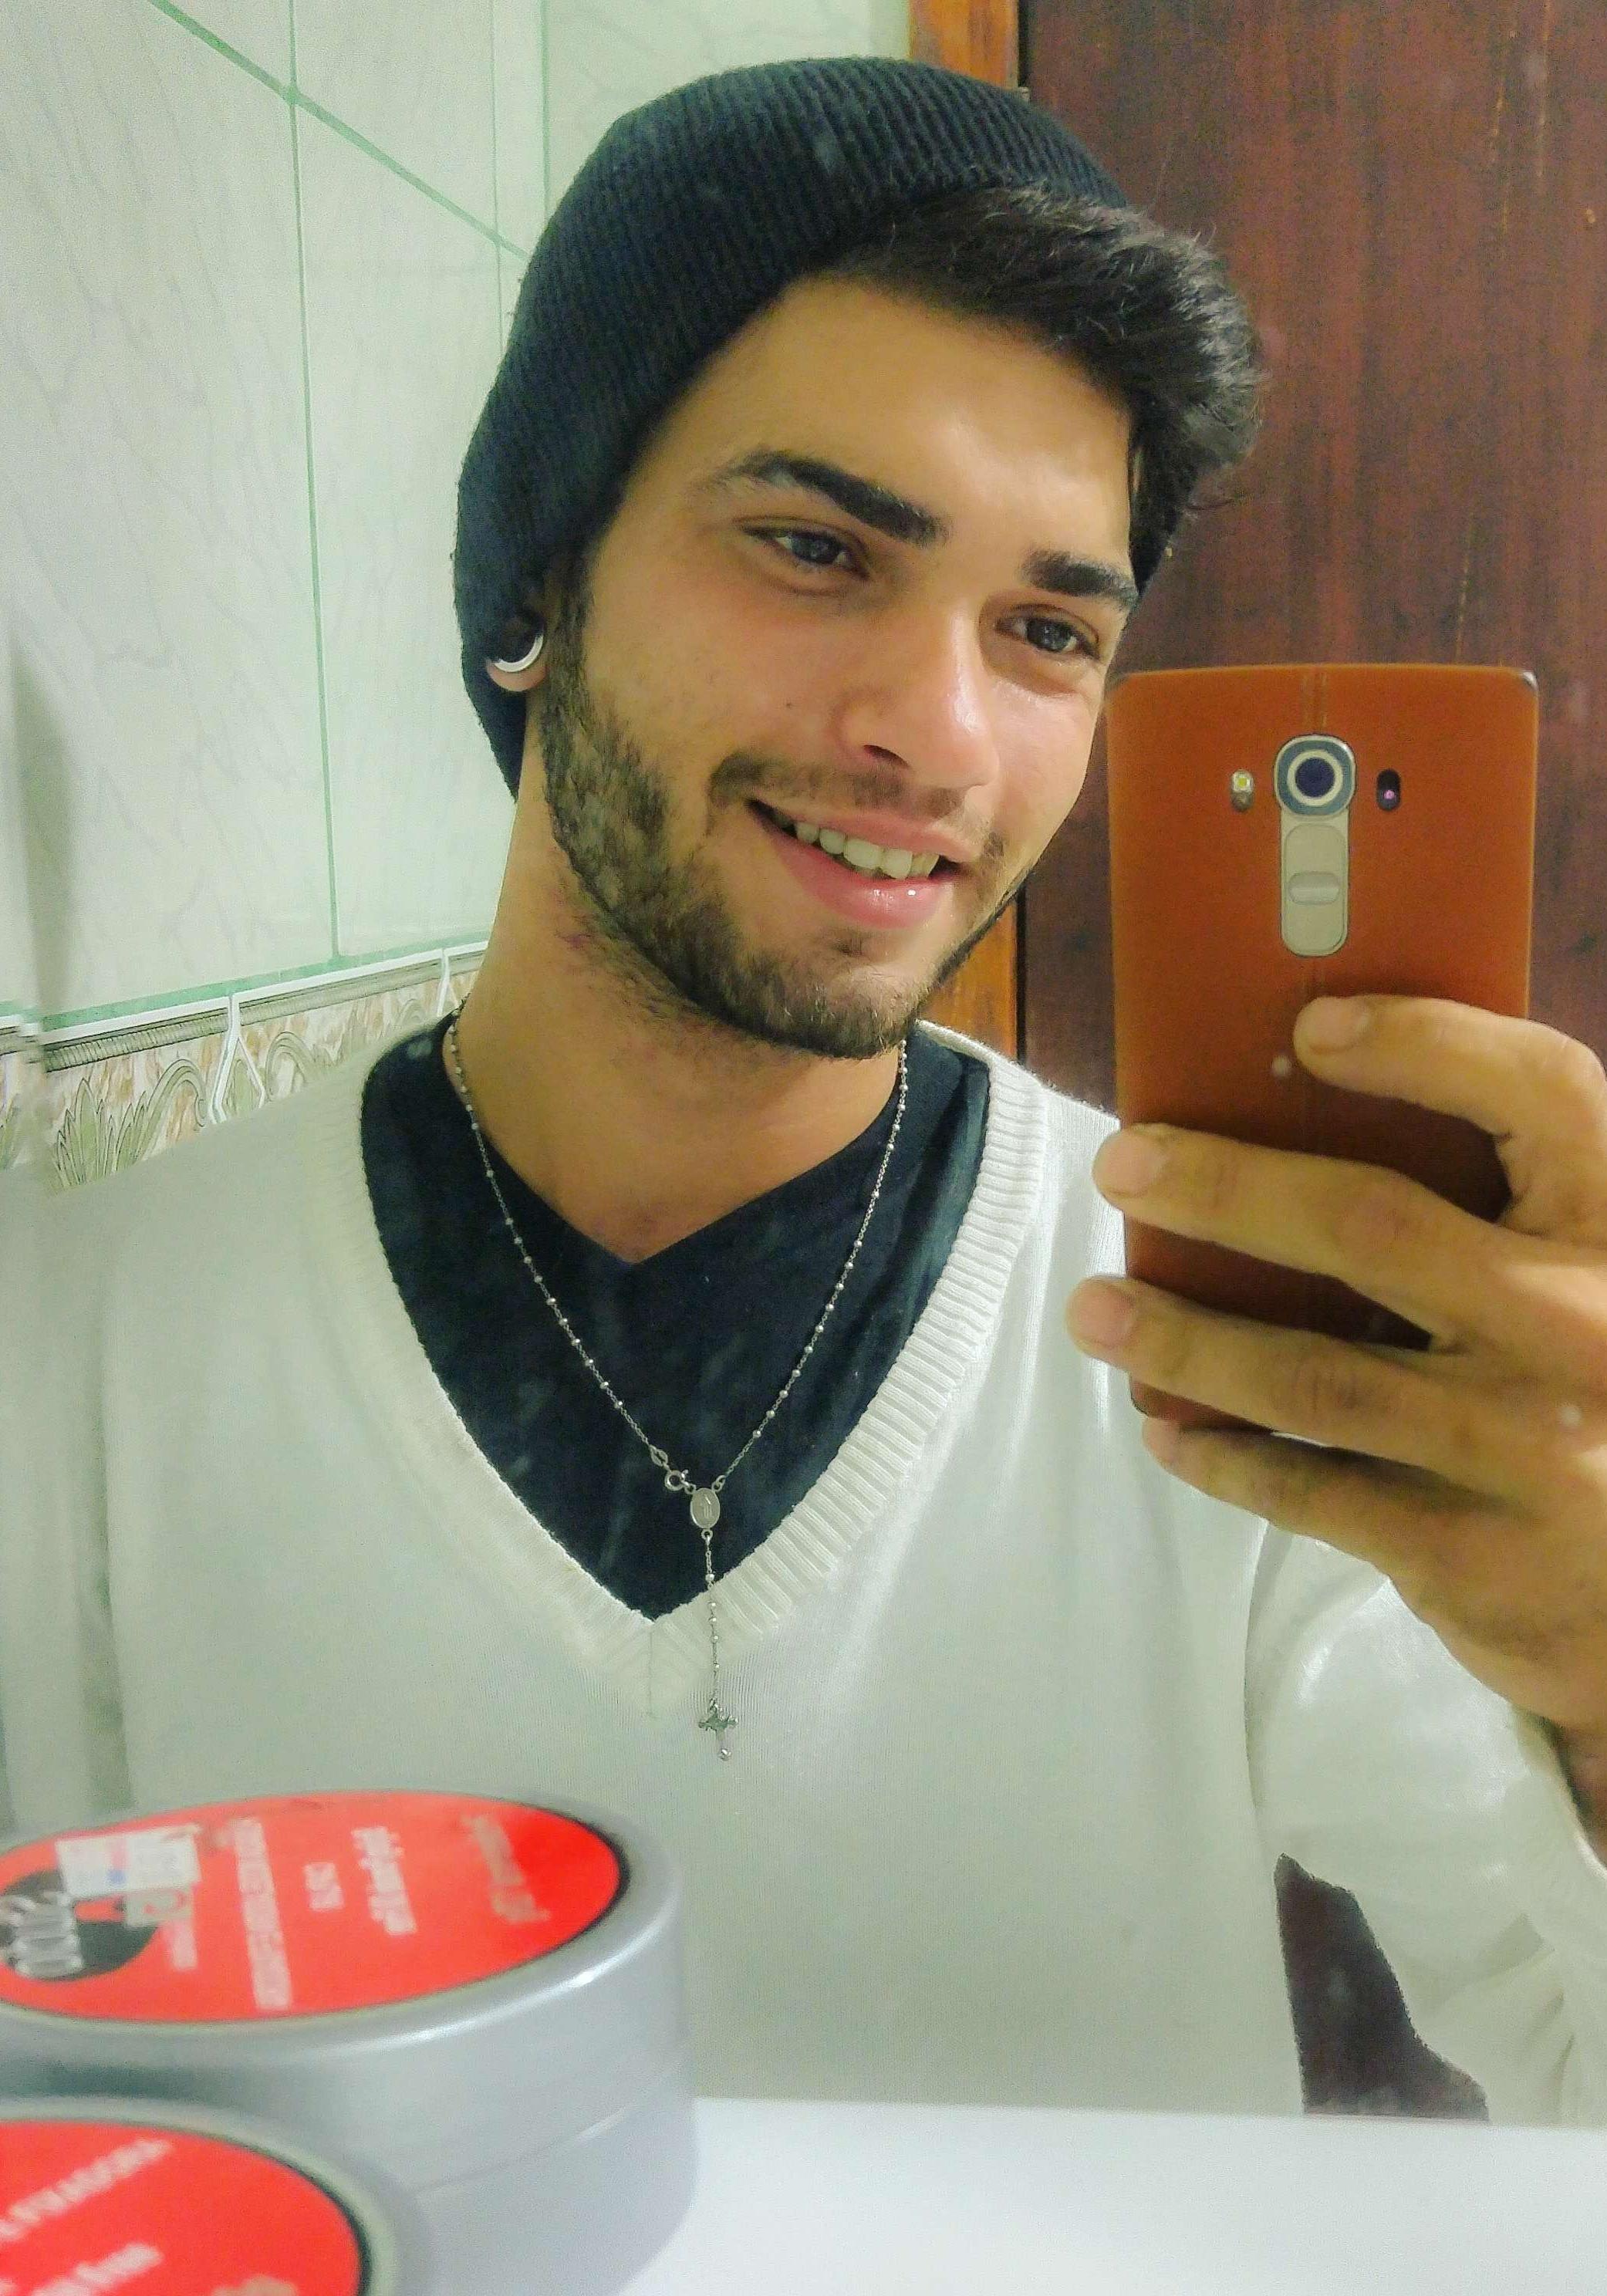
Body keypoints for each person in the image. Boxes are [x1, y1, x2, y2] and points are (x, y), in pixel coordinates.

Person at [8, 58, 1607, 2120]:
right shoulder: (88, 1351)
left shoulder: (1223, 1335)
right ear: (539, 578)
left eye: (1046, 630)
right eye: (813, 548)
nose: (938, 735)